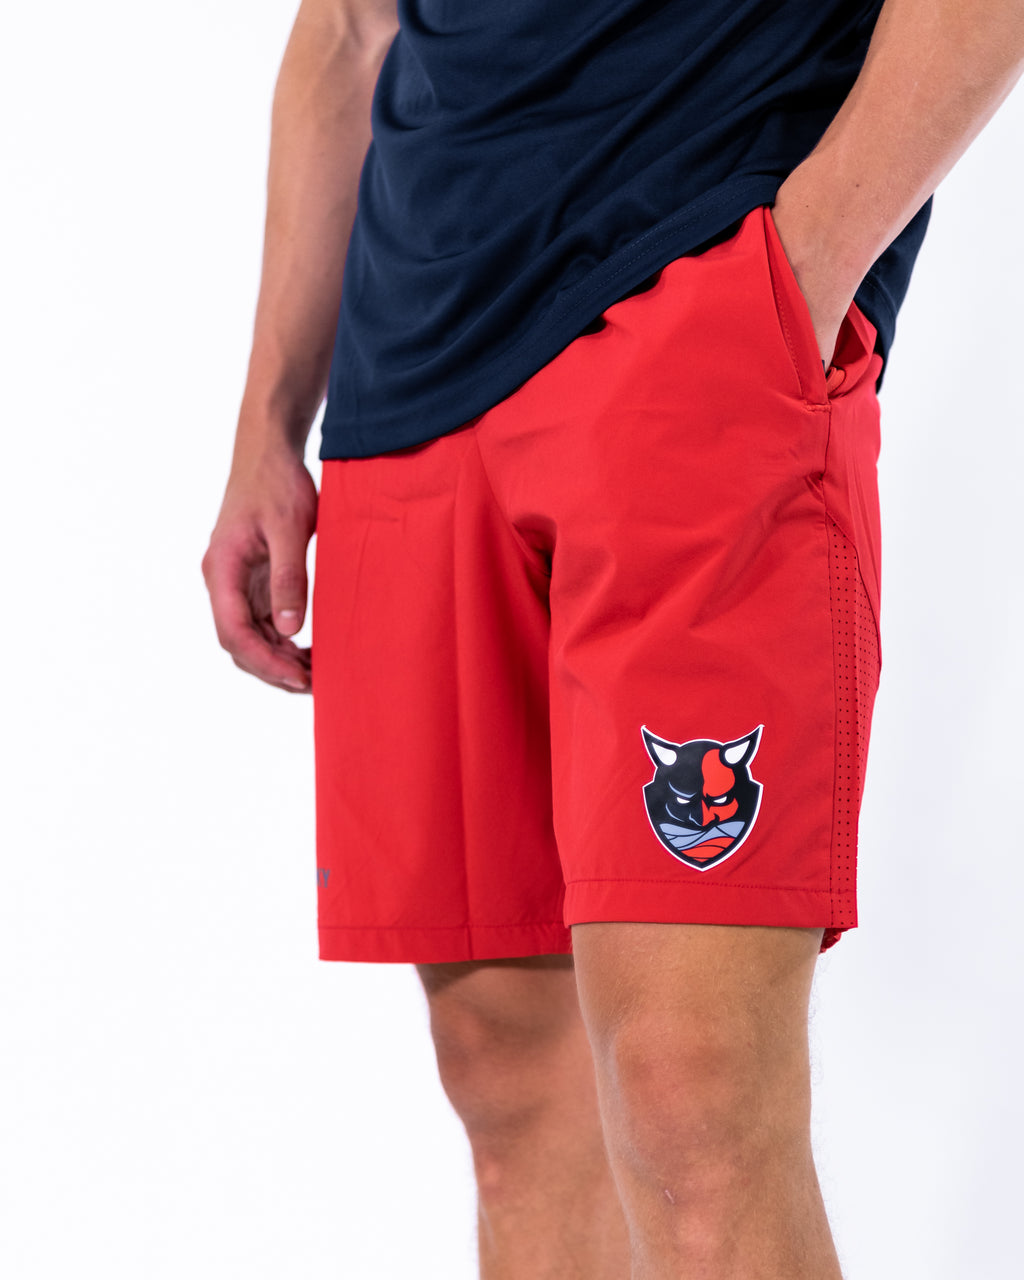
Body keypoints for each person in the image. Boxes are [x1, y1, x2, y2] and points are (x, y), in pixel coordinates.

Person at [202, 0, 1024, 1274]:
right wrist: (269, 420)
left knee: (694, 1102)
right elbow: (351, 25)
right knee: (510, 1086)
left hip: (695, 327)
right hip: (407, 385)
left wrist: (800, 269)